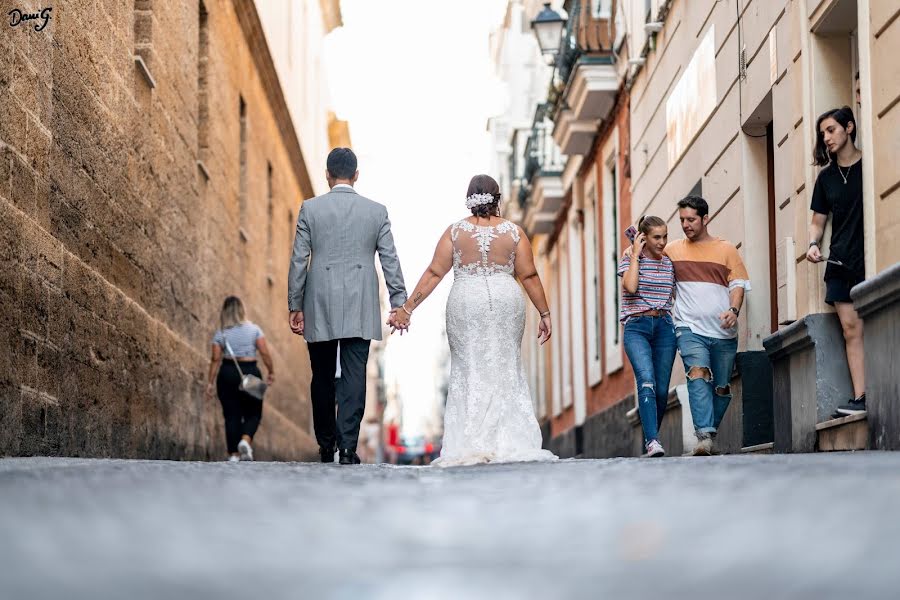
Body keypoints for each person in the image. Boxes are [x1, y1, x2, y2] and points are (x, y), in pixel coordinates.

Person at [388, 175, 557, 467]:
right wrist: (544, 313)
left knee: (469, 367)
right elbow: (528, 276)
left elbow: (433, 273)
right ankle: (509, 440)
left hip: (466, 301)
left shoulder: (455, 233)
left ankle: (470, 441)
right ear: (497, 198)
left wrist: (407, 308)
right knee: (506, 365)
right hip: (506, 301)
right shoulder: (514, 233)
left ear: (469, 198)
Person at [288, 148, 407, 465]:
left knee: (322, 375)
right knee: (355, 375)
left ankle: (326, 445)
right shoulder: (376, 211)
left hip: (319, 299)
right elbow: (389, 259)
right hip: (360, 300)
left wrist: (295, 304)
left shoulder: (310, 210)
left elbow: (300, 259)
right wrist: (398, 302)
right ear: (356, 175)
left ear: (327, 175)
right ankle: (348, 448)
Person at [667, 196, 751, 456]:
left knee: (722, 387)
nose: (686, 225)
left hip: (723, 332)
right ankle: (704, 436)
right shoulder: (672, 250)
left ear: (705, 219)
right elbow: (649, 260)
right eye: (682, 220)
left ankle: (709, 430)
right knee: (697, 373)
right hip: (689, 327)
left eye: (691, 219)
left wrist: (733, 310)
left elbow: (738, 284)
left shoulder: (726, 249)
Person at [806, 106, 866, 417]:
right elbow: (818, 220)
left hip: (869, 255)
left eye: (831, 130)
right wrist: (813, 243)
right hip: (841, 261)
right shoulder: (826, 178)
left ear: (849, 128)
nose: (826, 138)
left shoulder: (868, 165)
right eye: (823, 133)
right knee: (850, 328)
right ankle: (861, 396)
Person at [618, 216, 676, 458]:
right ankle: (653, 441)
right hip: (637, 327)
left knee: (662, 391)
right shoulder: (630, 258)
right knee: (646, 380)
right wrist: (634, 256)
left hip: (664, 326)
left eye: (665, 236)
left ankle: (651, 437)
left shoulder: (670, 263)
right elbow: (630, 287)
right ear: (643, 238)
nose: (662, 242)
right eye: (656, 237)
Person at [205, 296, 275, 462]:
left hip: (227, 372)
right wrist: (271, 371)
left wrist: (210, 382)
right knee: (254, 413)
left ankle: (233, 455)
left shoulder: (220, 333)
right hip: (250, 371)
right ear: (242, 310)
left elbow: (215, 359)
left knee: (231, 415)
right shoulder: (254, 330)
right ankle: (245, 440)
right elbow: (264, 353)